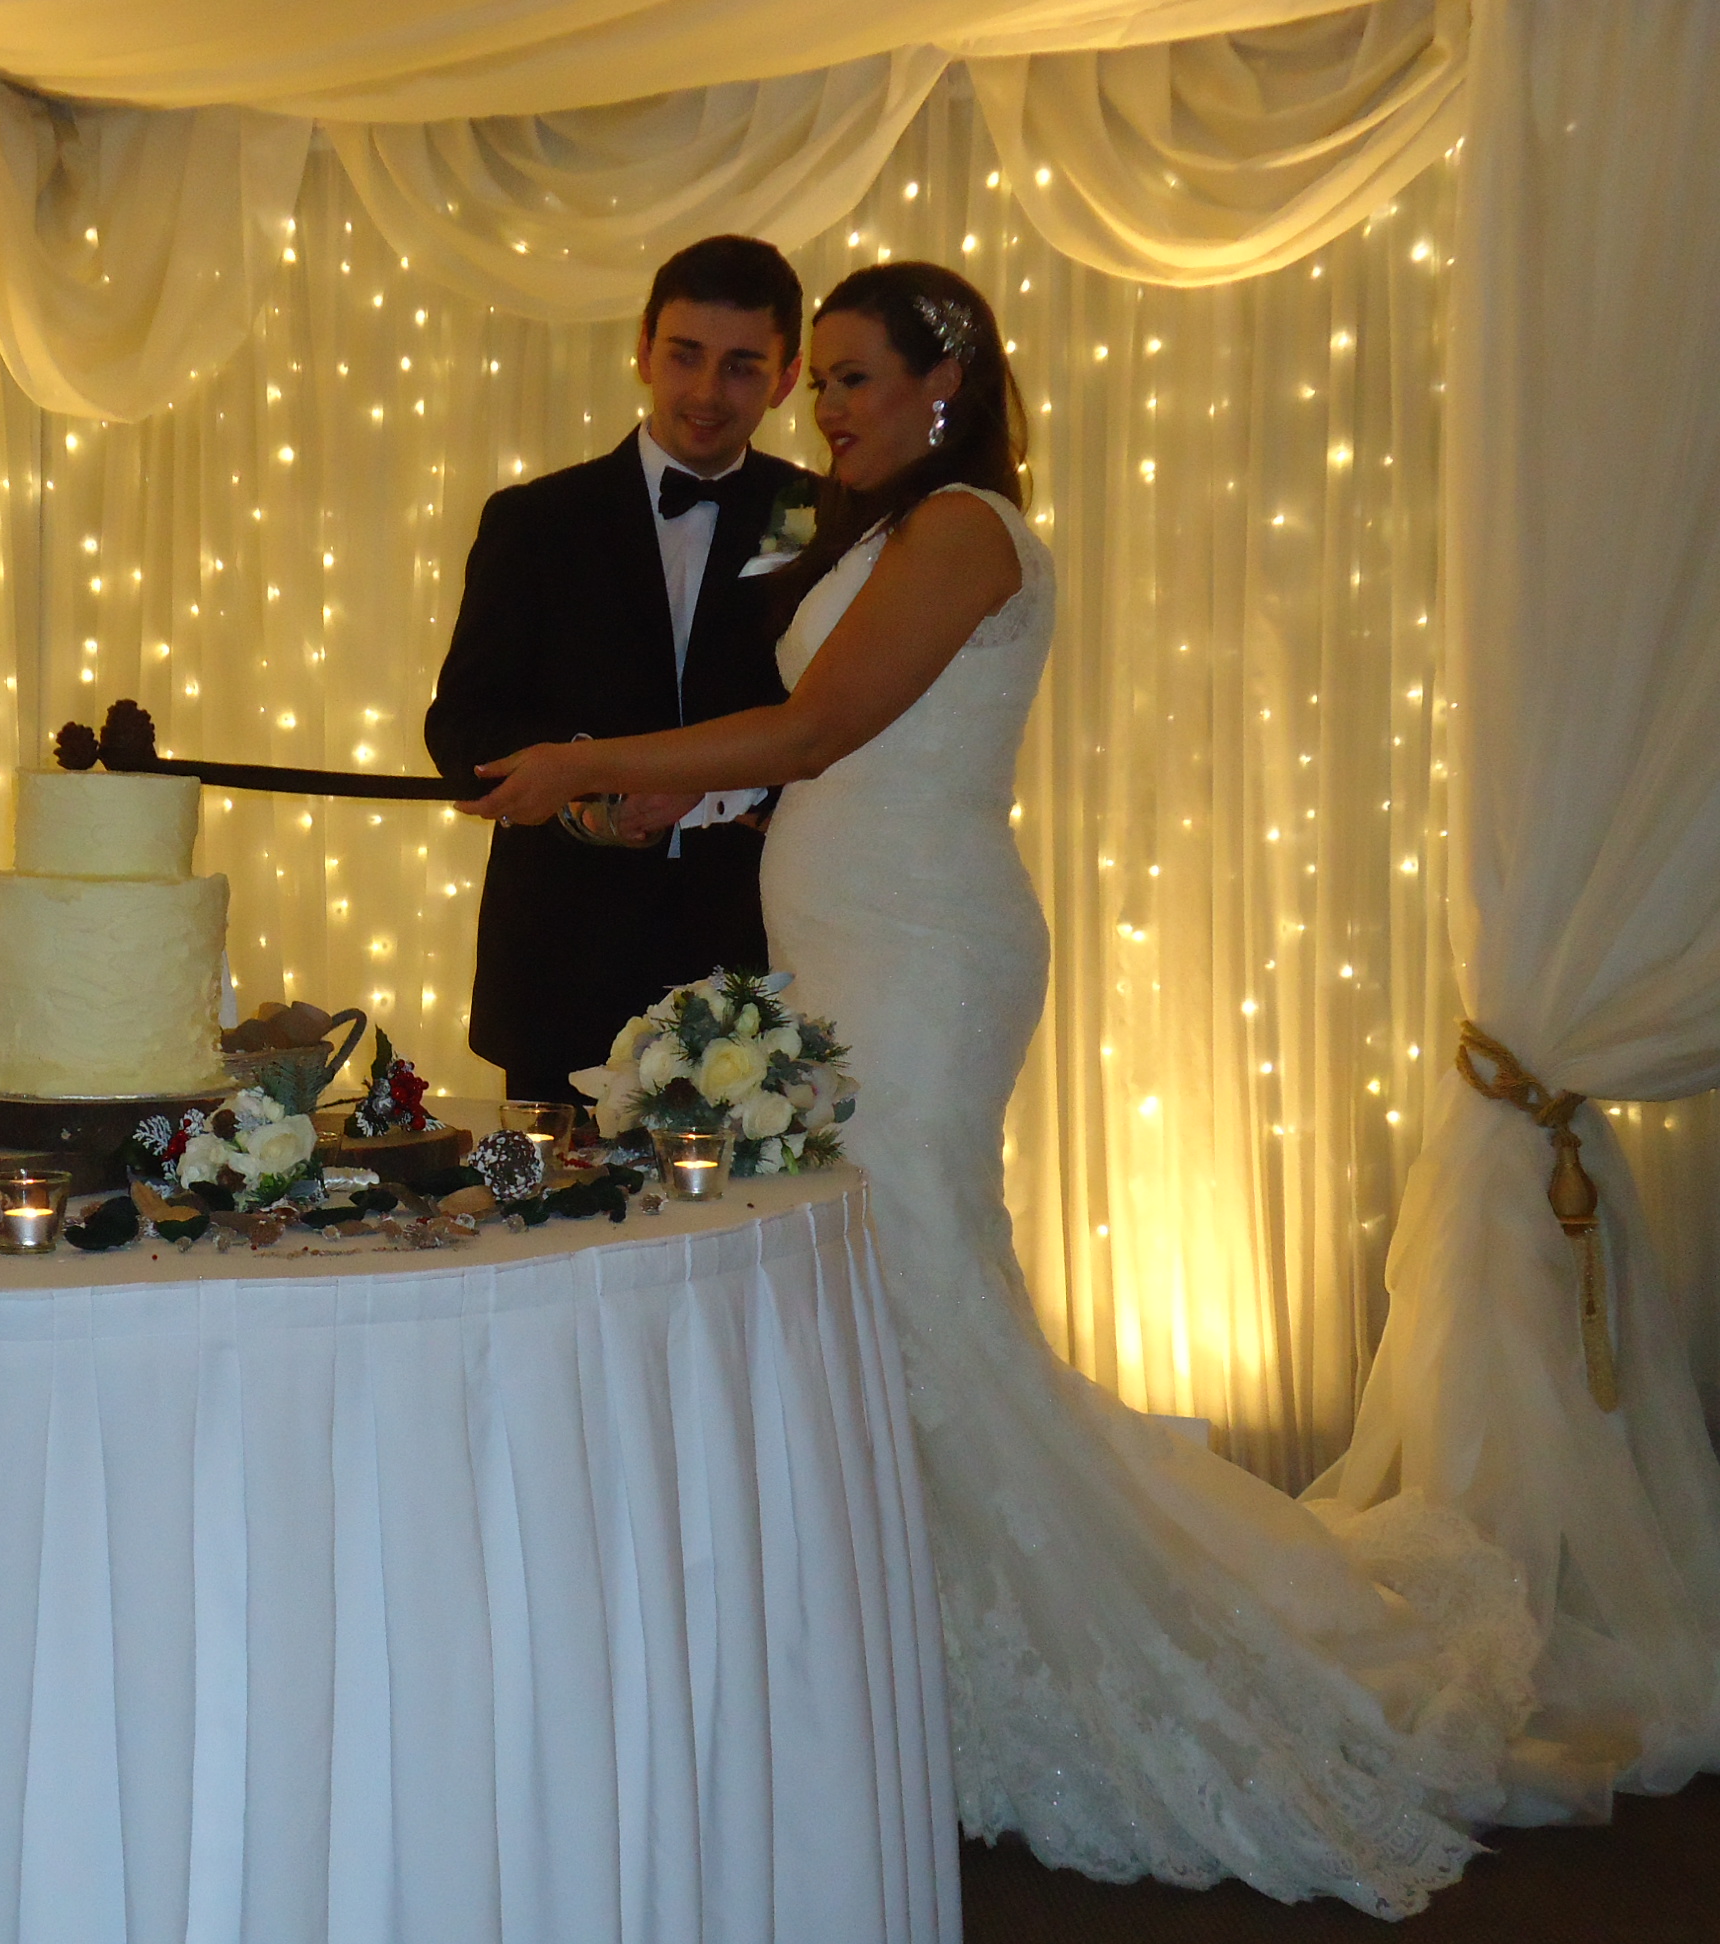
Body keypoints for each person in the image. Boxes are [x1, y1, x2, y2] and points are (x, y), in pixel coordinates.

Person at [462, 261, 1559, 1917]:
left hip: (919, 951)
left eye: (847, 378)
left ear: (943, 386)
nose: (821, 410)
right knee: (877, 1295)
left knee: (911, 1283)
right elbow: (825, 749)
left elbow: (819, 728)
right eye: (817, 383)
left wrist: (597, 759)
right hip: (841, 940)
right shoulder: (888, 527)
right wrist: (675, 805)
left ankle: (1009, 1669)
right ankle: (890, 1655)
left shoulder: (965, 527)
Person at [426, 235, 818, 1103]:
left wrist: (724, 786)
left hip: (758, 963)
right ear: (642, 349)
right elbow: (462, 724)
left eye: (742, 367)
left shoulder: (811, 518)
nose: (706, 392)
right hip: (564, 965)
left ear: (787, 378)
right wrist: (587, 788)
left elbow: (835, 723)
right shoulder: (535, 519)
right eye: (684, 355)